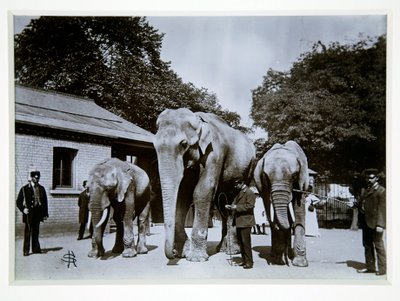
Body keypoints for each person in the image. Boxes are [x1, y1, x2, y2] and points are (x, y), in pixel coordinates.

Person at [356, 168, 386, 276]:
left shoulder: (381, 190)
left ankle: (382, 269)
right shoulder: (364, 189)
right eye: (367, 177)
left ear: (377, 178)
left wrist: (380, 224)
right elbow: (361, 203)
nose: (368, 179)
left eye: (371, 177)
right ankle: (370, 267)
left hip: (376, 223)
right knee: (367, 245)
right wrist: (356, 204)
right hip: (365, 221)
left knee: (378, 245)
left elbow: (382, 209)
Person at [16, 170, 49, 256]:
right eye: (35, 178)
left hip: (38, 213)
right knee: (28, 232)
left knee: (36, 231)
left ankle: (36, 248)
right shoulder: (25, 189)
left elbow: (45, 202)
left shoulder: (41, 188)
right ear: (32, 178)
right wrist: (23, 209)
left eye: (38, 178)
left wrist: (45, 214)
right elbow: (18, 201)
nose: (37, 179)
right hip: (29, 213)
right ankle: (26, 250)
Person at [225, 179, 256, 269]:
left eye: (236, 184)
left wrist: (236, 207)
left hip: (246, 222)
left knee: (246, 243)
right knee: (241, 243)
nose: (235, 186)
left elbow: (250, 206)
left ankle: (249, 262)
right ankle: (244, 260)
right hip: (239, 222)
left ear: (242, 183)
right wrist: (230, 207)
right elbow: (236, 204)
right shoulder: (240, 192)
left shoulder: (249, 192)